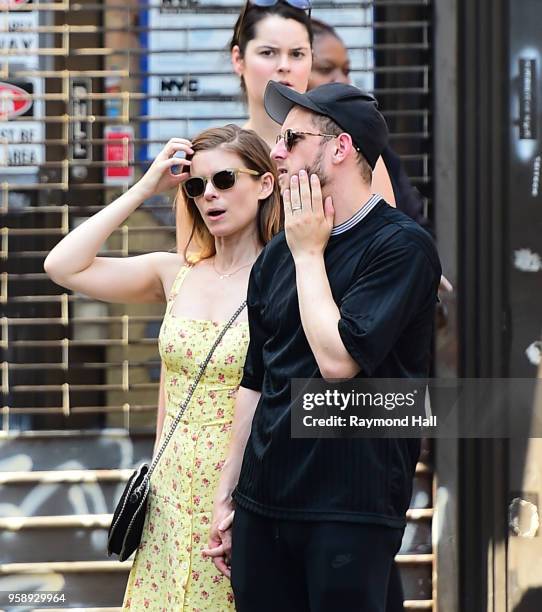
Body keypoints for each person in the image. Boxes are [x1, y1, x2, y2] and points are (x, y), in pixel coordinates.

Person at [205, 82, 442, 611]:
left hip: (349, 507)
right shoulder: (278, 254)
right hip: (266, 503)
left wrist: (310, 255)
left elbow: (338, 361)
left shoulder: (401, 247)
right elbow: (256, 379)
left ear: (340, 148)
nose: (277, 151)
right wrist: (230, 493)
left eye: (292, 138)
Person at [44, 124, 281, 610]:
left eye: (224, 181)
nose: (209, 195)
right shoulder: (176, 272)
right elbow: (63, 265)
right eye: (196, 186)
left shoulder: (288, 279)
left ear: (264, 184)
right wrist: (146, 186)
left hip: (245, 485)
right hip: (170, 490)